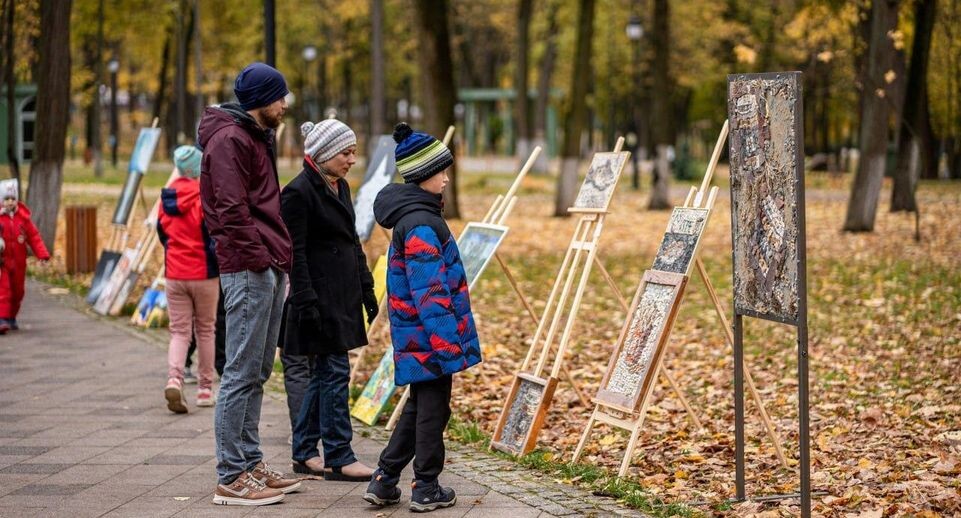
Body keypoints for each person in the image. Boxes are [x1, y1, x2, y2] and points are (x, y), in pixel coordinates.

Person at [363, 123, 481, 513]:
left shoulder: (418, 217)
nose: (446, 178)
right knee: (433, 411)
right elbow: (430, 295)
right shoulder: (420, 226)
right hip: (429, 340)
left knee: (419, 407)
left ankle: (384, 479)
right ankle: (426, 485)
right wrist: (448, 348)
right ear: (421, 176)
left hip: (421, 339)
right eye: (440, 171)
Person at [198, 62, 300, 506]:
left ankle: (250, 462)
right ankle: (230, 476)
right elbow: (229, 209)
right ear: (261, 99)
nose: (285, 104)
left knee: (258, 370)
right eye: (280, 97)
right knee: (240, 372)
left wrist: (276, 261)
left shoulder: (256, 135)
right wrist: (259, 258)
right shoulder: (229, 140)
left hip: (268, 264)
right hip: (249, 266)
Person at [280, 119, 378, 481]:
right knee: (335, 373)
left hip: (343, 296)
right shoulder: (298, 192)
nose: (352, 159)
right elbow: (295, 254)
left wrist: (366, 287)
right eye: (345, 152)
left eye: (353, 151)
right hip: (318, 302)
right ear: (322, 154)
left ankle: (305, 452)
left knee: (324, 376)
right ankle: (339, 455)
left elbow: (352, 240)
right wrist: (305, 302)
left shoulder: (340, 186)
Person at [158, 145, 219, 414]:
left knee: (179, 331)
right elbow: (214, 234)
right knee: (205, 330)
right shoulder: (204, 196)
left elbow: (163, 235)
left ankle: (174, 378)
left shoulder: (167, 198)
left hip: (175, 274)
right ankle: (205, 389)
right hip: (204, 274)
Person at [0, 179, 50, 334]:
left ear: (17, 200)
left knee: (18, 292)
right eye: (6, 199)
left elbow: (34, 237)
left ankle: (11, 317)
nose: (10, 202)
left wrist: (42, 254)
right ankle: (2, 318)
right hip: (3, 262)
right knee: (4, 290)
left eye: (13, 199)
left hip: (20, 263)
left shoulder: (23, 219)